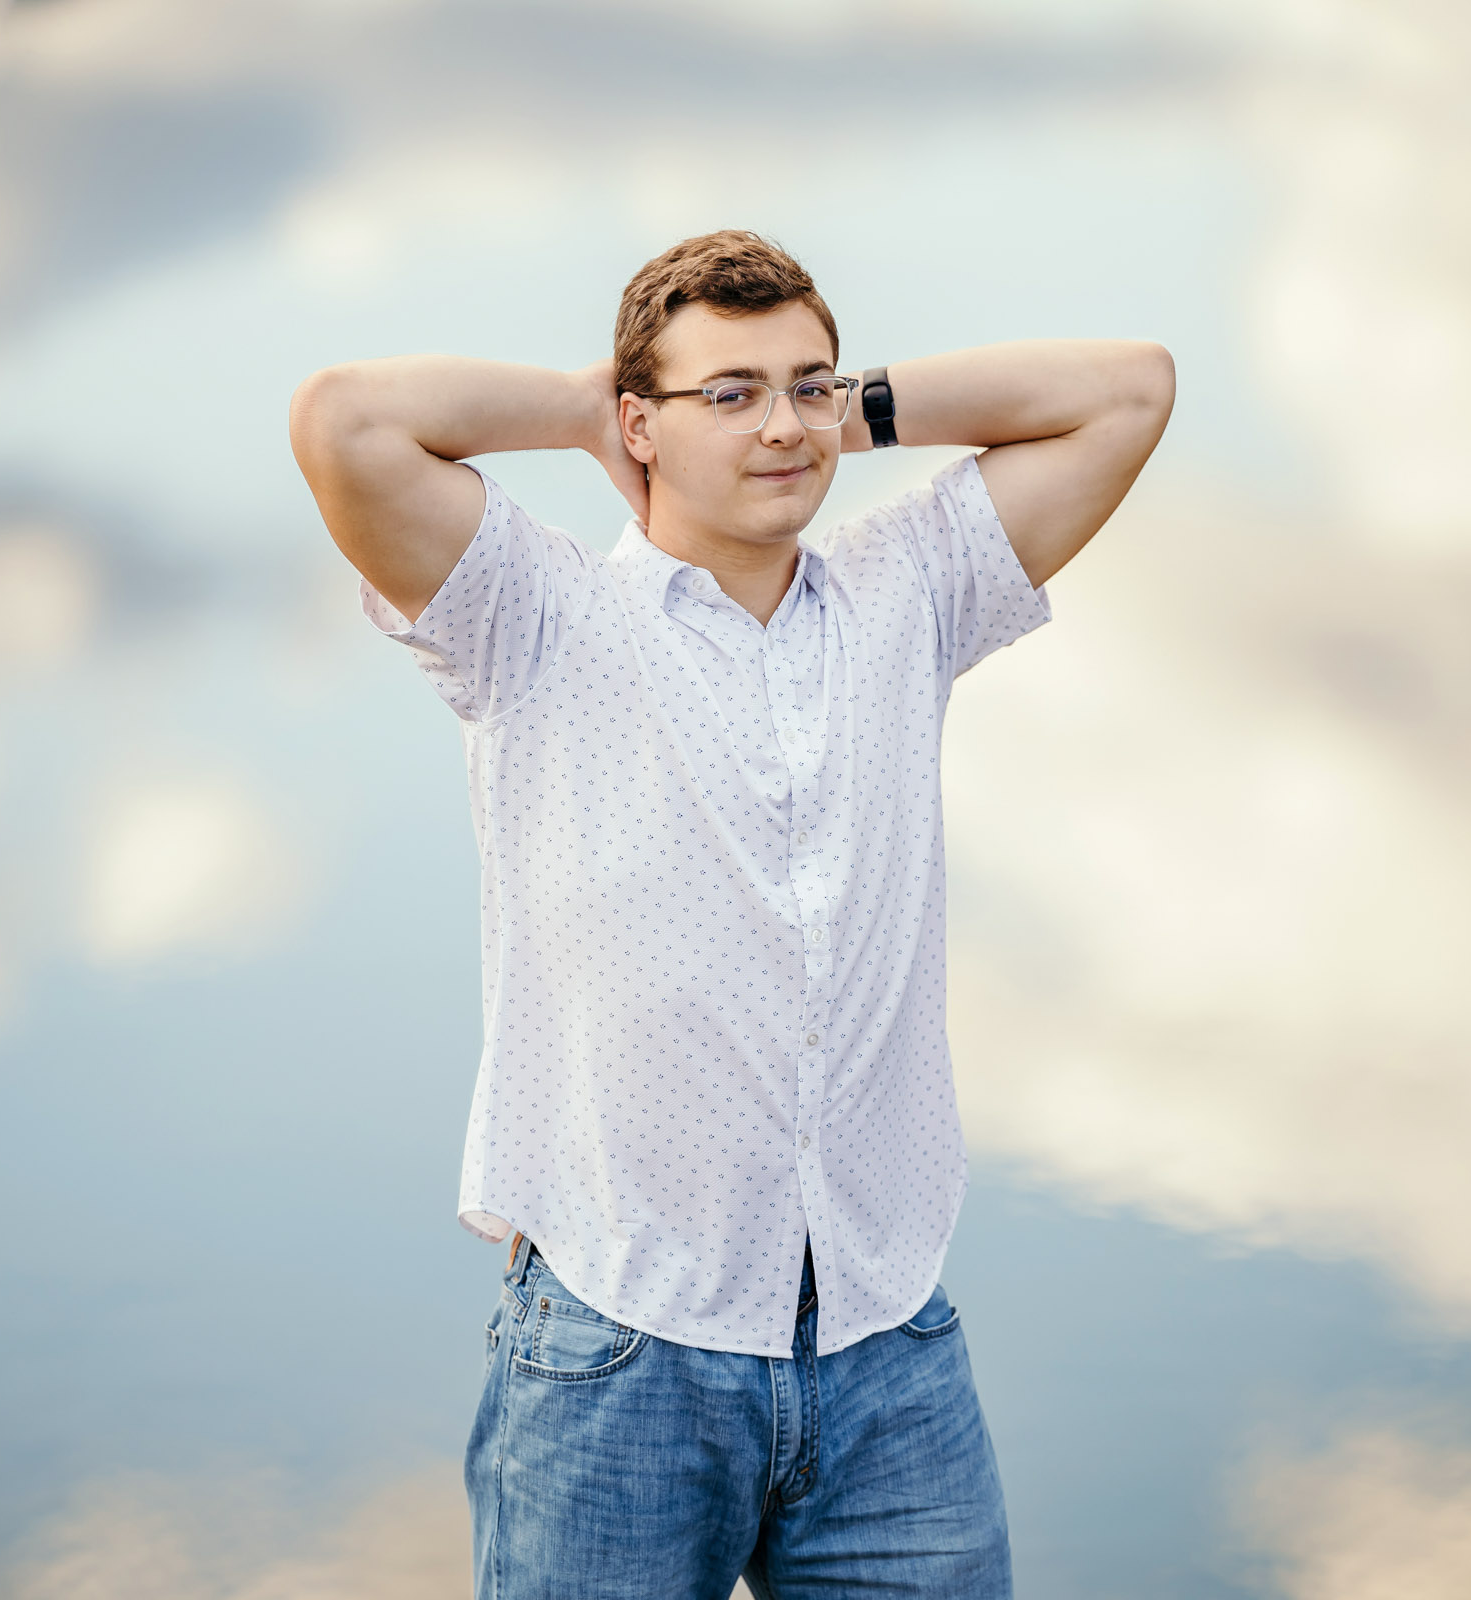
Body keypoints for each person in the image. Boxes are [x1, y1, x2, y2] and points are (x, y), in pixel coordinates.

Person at [288, 230, 1173, 1600]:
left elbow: (1130, 390)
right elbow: (346, 422)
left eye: (805, 387)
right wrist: (586, 411)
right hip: (619, 1362)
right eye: (732, 394)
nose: (783, 426)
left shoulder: (908, 593)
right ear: (640, 424)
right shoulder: (534, 615)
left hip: (889, 1361)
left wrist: (850, 407)